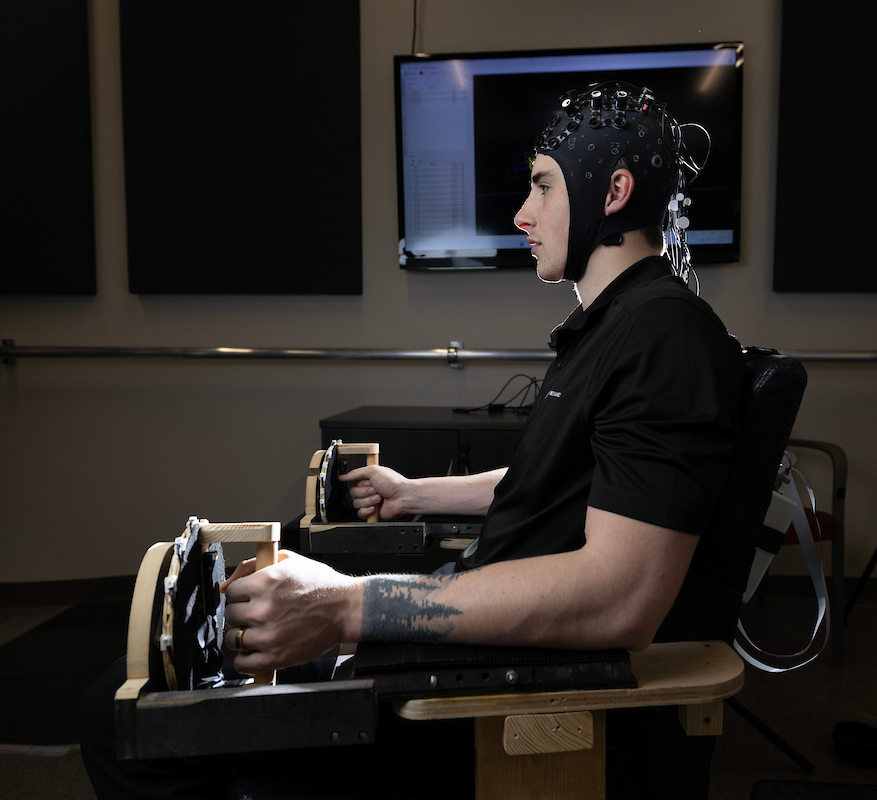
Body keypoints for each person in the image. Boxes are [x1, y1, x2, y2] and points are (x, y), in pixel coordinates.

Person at [83, 81, 745, 799]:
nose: (523, 214)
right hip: (472, 653)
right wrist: (413, 493)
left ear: (612, 190)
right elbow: (555, 479)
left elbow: (621, 596)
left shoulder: (665, 336)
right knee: (132, 695)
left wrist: (346, 606)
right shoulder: (617, 329)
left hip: (492, 702)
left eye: (543, 187)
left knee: (126, 726)